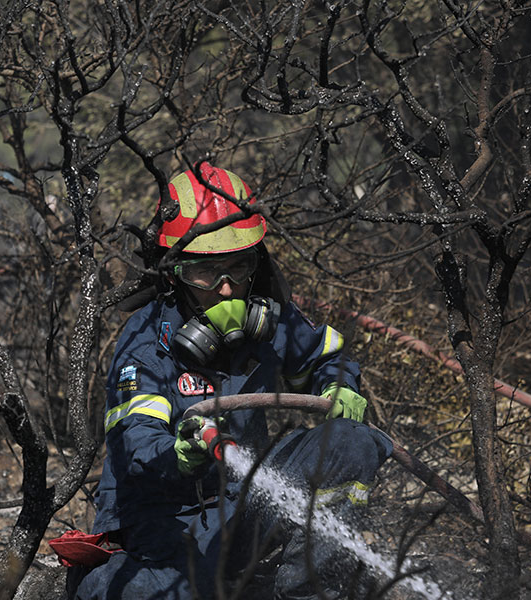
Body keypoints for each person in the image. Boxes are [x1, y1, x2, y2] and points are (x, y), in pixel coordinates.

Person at [70, 163, 394, 600]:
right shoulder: (145, 344)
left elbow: (326, 358)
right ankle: (98, 583)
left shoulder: (267, 319)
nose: (226, 290)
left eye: (237, 268)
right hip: (164, 516)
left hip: (243, 497)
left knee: (350, 443)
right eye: (206, 273)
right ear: (174, 272)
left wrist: (339, 385)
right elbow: (136, 446)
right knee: (179, 592)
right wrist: (179, 454)